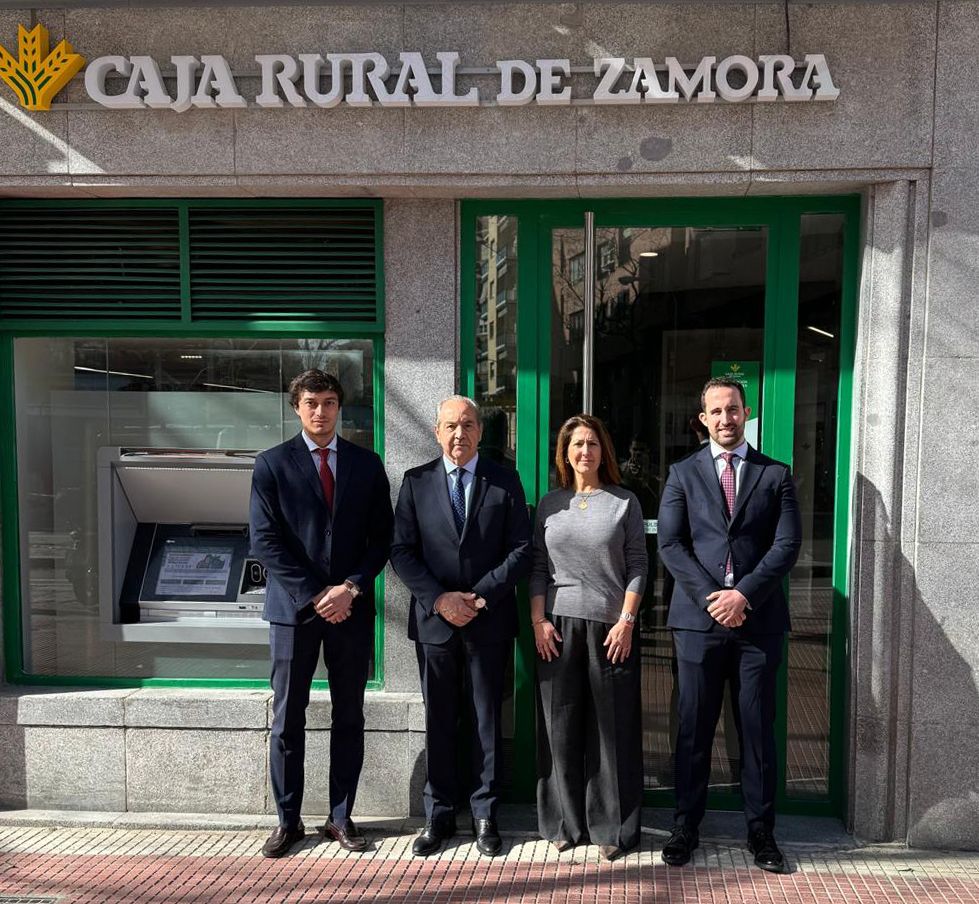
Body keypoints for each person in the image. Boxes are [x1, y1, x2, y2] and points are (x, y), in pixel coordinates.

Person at [656, 378, 801, 873]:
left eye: (733, 409)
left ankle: (761, 832)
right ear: (703, 418)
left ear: (746, 412)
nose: (725, 418)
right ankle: (685, 826)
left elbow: (786, 546)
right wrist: (713, 599)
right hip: (698, 624)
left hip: (757, 624)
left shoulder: (775, 474)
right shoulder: (681, 474)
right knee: (693, 728)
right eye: (715, 411)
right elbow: (671, 545)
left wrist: (743, 596)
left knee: (756, 731)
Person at [249, 369, 393, 858]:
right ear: (297, 406)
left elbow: (382, 540)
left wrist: (350, 587)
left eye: (329, 402)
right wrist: (316, 594)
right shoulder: (271, 465)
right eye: (312, 402)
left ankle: (340, 817)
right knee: (288, 717)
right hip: (294, 612)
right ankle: (288, 820)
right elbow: (264, 542)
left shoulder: (367, 465)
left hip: (350, 611)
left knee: (349, 715)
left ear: (340, 407)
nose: (321, 411)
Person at [390, 395, 532, 857]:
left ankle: (485, 814)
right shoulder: (416, 483)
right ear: (436, 432)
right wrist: (440, 600)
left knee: (487, 720)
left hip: (487, 621)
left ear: (480, 432)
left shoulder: (504, 480)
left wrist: (480, 595)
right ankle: (440, 813)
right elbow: (402, 551)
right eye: (450, 425)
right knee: (440, 720)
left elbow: (521, 549)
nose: (459, 434)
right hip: (435, 624)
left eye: (468, 425)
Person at [530, 414, 647, 862]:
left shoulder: (624, 502)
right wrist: (539, 621)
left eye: (593, 444)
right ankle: (562, 822)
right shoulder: (549, 504)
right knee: (559, 728)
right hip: (557, 628)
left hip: (611, 628)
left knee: (611, 731)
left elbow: (638, 563)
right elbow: (538, 566)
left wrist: (627, 621)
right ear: (565, 452)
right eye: (577, 444)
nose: (585, 451)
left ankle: (613, 827)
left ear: (604, 452)